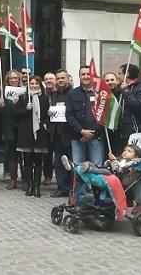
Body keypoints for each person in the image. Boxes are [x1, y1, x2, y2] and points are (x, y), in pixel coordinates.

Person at [15, 76, 49, 197]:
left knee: (38, 162)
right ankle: (29, 185)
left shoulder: (45, 98)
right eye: (32, 83)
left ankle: (37, 186)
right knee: (27, 161)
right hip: (26, 132)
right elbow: (16, 113)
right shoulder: (23, 97)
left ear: (40, 85)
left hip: (39, 132)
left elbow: (47, 114)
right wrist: (25, 109)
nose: (34, 85)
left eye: (36, 83)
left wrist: (44, 123)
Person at [65, 66, 104, 167]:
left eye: (88, 74)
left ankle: (96, 184)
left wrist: (92, 133)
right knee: (78, 167)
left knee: (97, 166)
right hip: (77, 136)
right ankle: (81, 184)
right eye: (83, 74)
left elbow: (104, 115)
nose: (86, 76)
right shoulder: (72, 94)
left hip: (96, 136)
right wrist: (81, 131)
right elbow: (69, 115)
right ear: (79, 76)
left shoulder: (100, 93)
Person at [117, 64, 141, 153]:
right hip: (124, 132)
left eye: (120, 73)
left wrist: (126, 91)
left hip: (136, 132)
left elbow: (139, 105)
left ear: (127, 74)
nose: (118, 76)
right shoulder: (122, 87)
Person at [50, 69, 73, 198]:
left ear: (68, 78)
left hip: (70, 133)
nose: (60, 81)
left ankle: (73, 188)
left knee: (72, 162)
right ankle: (62, 188)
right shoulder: (54, 94)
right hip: (57, 133)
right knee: (59, 163)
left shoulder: (74, 94)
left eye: (62, 78)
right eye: (58, 79)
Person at [3, 69, 22, 190]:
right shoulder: (4, 93)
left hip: (22, 127)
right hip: (9, 126)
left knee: (24, 155)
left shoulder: (24, 92)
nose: (13, 80)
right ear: (8, 80)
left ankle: (25, 179)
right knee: (11, 155)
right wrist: (1, 104)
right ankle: (13, 179)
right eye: (11, 78)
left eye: (15, 78)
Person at [42, 72, 57, 186]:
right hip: (46, 127)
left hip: (58, 127)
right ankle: (47, 176)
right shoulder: (43, 94)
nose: (48, 81)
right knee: (46, 155)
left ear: (55, 80)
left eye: (51, 78)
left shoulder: (60, 93)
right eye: (46, 79)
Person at [103, 72, 123, 157]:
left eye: (112, 80)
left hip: (120, 132)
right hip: (106, 132)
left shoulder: (123, 94)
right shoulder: (102, 96)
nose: (110, 82)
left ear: (117, 81)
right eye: (107, 80)